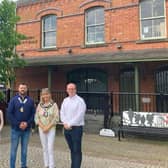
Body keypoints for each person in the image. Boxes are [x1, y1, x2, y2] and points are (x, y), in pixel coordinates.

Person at [7, 83, 35, 168]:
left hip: (26, 130)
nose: (22, 89)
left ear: (26, 89)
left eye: (24, 88)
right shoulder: (13, 100)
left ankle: (23, 166)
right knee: (13, 150)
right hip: (15, 129)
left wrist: (27, 123)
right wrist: (18, 123)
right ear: (18, 89)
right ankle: (12, 166)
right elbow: (9, 113)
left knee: (24, 150)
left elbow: (33, 114)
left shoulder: (30, 100)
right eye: (21, 88)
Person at [60, 83, 86, 168]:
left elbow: (80, 115)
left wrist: (69, 124)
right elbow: (62, 113)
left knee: (77, 150)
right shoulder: (65, 100)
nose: (71, 90)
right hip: (66, 128)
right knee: (72, 149)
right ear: (66, 90)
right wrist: (64, 122)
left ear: (75, 90)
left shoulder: (80, 101)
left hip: (76, 129)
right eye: (69, 89)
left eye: (73, 89)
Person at [35, 88, 59, 168]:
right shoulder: (40, 105)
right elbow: (36, 117)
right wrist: (42, 127)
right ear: (42, 96)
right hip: (41, 129)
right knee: (44, 148)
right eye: (44, 94)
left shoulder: (54, 105)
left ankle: (52, 165)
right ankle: (46, 165)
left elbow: (56, 118)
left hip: (51, 129)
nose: (45, 96)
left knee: (50, 148)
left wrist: (48, 127)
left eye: (47, 94)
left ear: (50, 95)